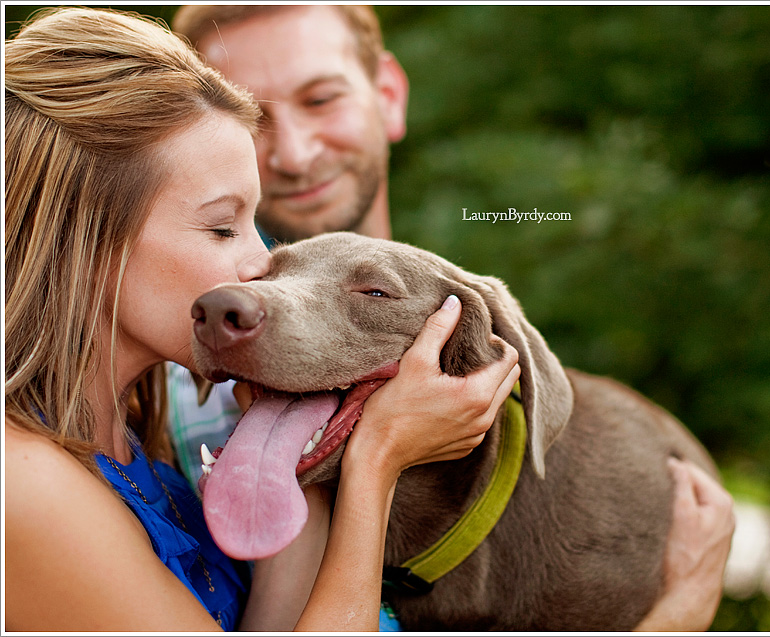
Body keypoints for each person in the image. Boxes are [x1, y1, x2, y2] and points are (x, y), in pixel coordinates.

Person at [168, 4, 736, 632]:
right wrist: (680, 615)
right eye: (259, 119)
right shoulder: (166, 395)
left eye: (322, 98)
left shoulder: (469, 325)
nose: (297, 153)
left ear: (387, 94)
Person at [3, 7, 520, 632]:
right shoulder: (25, 485)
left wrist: (295, 433)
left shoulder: (139, 446)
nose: (261, 266)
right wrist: (376, 461)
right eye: (222, 227)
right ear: (82, 239)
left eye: (256, 225)